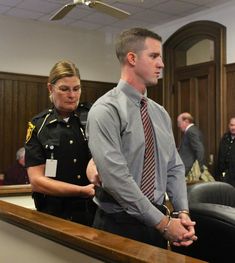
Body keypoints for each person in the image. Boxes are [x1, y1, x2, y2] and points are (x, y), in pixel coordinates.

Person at [86, 27, 197, 249]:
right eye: (154, 56)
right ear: (132, 58)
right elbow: (117, 180)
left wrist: (181, 211)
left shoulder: (159, 113)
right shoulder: (105, 110)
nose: (161, 64)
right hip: (117, 226)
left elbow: (174, 166)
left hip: (156, 224)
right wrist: (164, 224)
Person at [24, 60, 96, 226]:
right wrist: (80, 191)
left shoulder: (93, 116)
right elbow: (36, 181)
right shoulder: (38, 125)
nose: (72, 95)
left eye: (76, 89)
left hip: (92, 214)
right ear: (51, 88)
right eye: (64, 89)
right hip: (53, 214)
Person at [216, 117, 235, 187]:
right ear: (229, 126)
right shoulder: (225, 138)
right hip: (225, 176)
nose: (233, 127)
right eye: (232, 125)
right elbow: (220, 157)